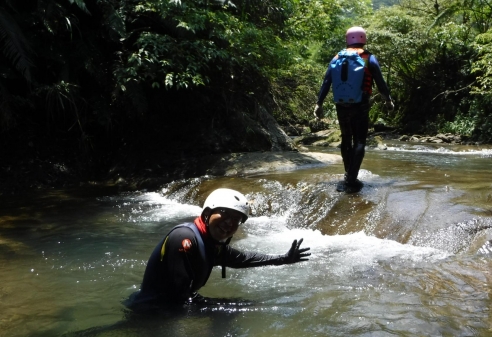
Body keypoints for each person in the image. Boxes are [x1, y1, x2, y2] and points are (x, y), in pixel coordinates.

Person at [130, 188, 310, 308]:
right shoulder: (185, 239)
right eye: (225, 213)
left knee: (237, 307)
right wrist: (222, 306)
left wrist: (283, 259)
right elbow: (178, 298)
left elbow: (243, 259)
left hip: (171, 307)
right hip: (153, 310)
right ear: (207, 214)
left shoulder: (210, 242)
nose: (230, 222)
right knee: (236, 308)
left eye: (237, 219)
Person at [314, 26, 394, 189]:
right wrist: (388, 101)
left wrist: (319, 103)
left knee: (346, 138)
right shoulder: (368, 58)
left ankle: (347, 172)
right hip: (361, 104)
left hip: (341, 104)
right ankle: (352, 177)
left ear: (347, 39)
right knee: (359, 141)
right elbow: (380, 82)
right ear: (363, 39)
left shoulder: (337, 57)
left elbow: (326, 81)